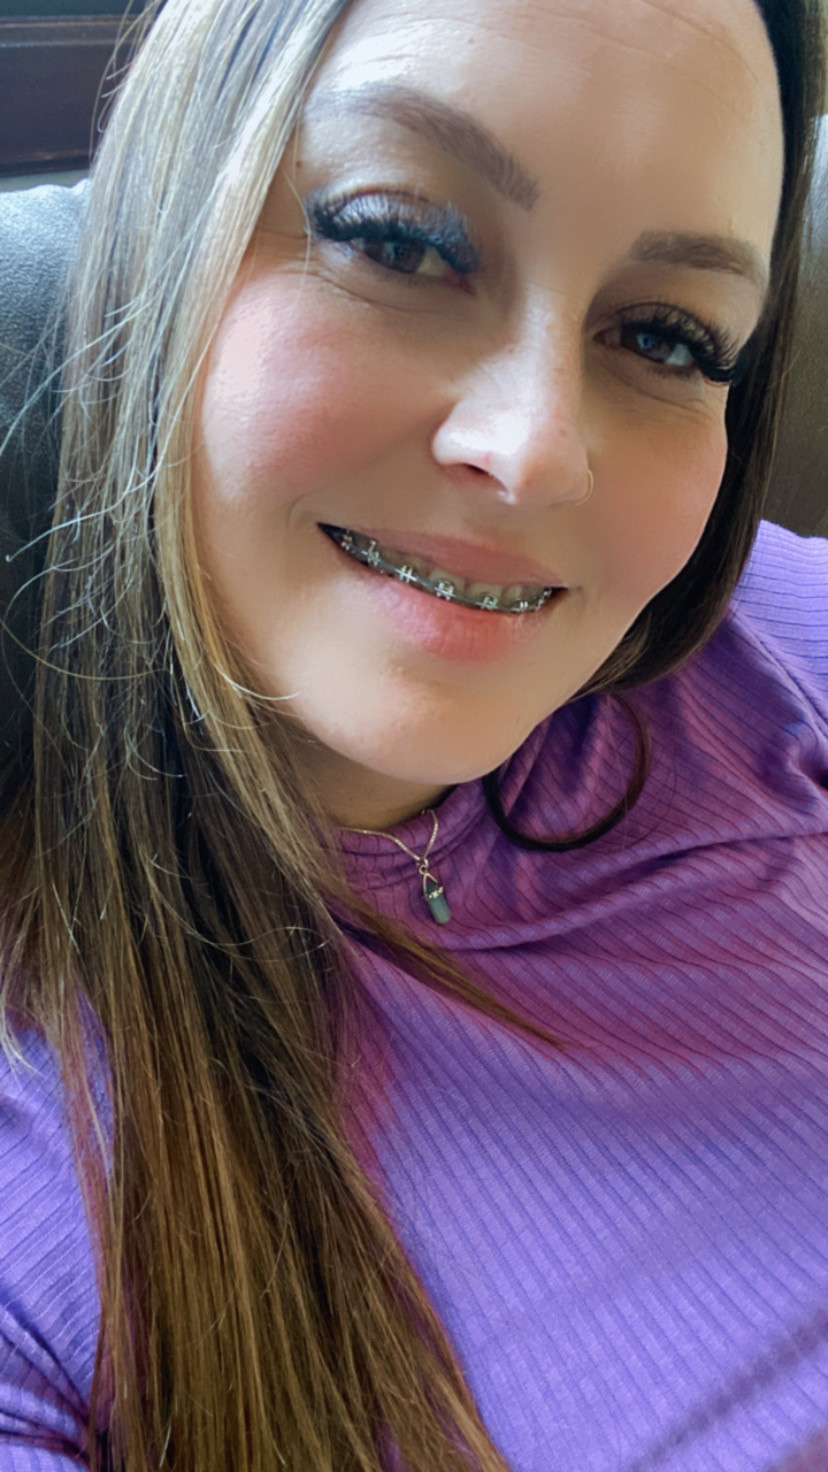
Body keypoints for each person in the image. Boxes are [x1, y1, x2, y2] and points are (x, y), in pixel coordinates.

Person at [0, 0, 826, 1468]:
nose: (534, 451)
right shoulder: (40, 1169)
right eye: (400, 241)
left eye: (664, 335)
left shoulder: (768, 644)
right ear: (164, 239)